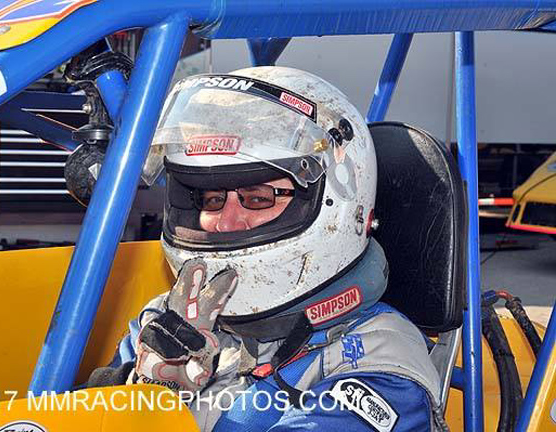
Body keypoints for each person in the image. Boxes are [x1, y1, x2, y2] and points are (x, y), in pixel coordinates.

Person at [88, 66, 446, 431]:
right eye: (212, 200)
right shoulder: (170, 322)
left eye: (258, 198)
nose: (226, 222)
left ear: (334, 204)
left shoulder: (379, 361)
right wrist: (140, 392)